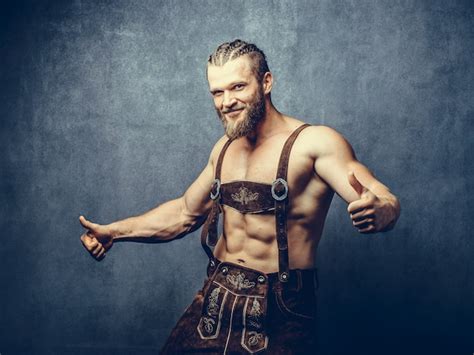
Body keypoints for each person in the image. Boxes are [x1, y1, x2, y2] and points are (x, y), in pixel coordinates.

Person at [79, 39, 400, 354]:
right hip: (216, 295)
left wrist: (382, 209)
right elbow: (184, 214)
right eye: (217, 92)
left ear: (266, 82)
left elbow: (378, 194)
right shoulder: (224, 149)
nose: (226, 101)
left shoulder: (314, 143)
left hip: (282, 305)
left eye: (237, 87)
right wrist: (114, 232)